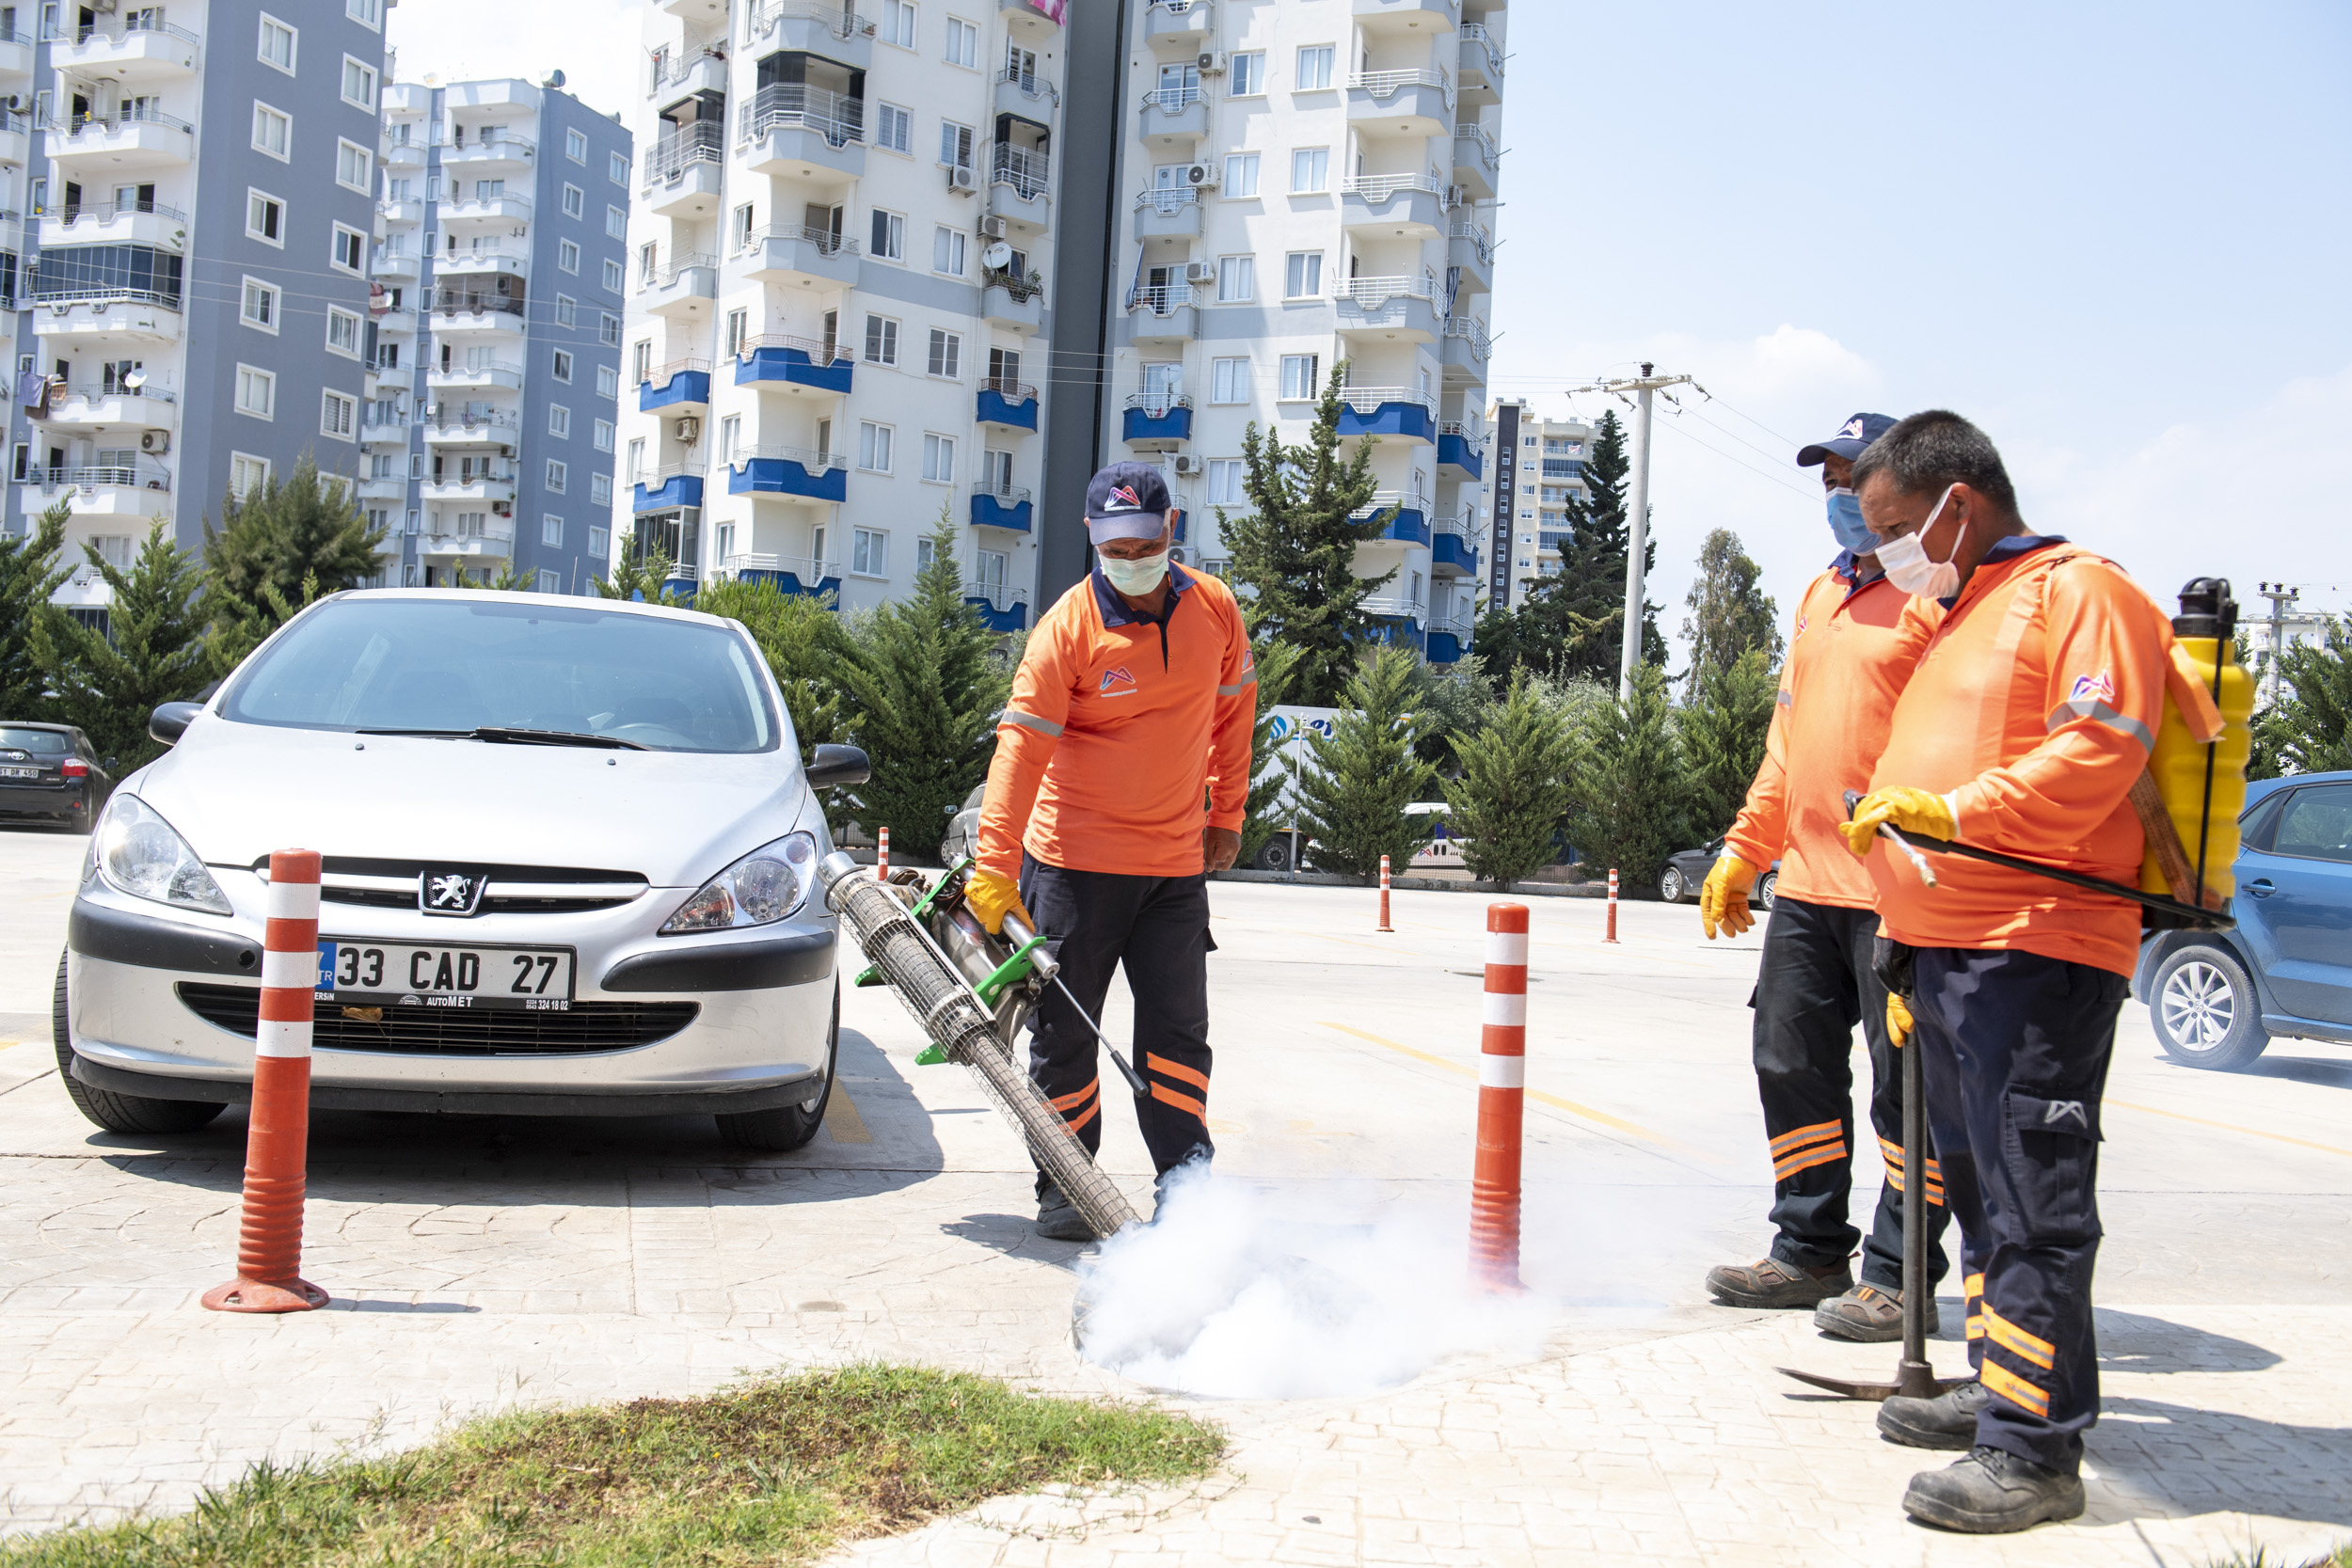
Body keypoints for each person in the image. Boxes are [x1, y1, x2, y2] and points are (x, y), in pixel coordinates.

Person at [1840, 411, 2177, 1532]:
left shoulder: (2080, 590)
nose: (1882, 548)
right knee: (1979, 1185)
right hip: (1952, 947)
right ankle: (2002, 1385)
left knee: (2033, 1194)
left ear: (1957, 501)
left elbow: (2101, 743)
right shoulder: (1963, 603)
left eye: (1893, 527)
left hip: (2038, 941)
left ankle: (2034, 1451)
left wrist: (1952, 809)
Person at [1698, 413, 1954, 1342]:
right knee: (1789, 1063)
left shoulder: (1940, 598)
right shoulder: (1820, 594)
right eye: (1828, 479)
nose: (1839, 496)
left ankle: (1898, 1275)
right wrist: (1741, 847)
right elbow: (1787, 744)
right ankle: (1809, 1249)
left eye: (1856, 477)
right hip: (1805, 886)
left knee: (1908, 1093)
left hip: (1900, 889)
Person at [965, 461, 1256, 1241]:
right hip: (1073, 867)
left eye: (1143, 542)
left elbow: (1235, 711)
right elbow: (1019, 749)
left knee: (1177, 1036)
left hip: (1171, 870)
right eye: (1113, 546)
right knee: (1064, 1037)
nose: (1130, 560)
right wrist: (995, 870)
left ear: (1172, 531)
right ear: (1092, 540)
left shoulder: (1216, 612)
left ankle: (1186, 1182)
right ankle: (1066, 1182)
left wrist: (1225, 810)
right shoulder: (1066, 629)